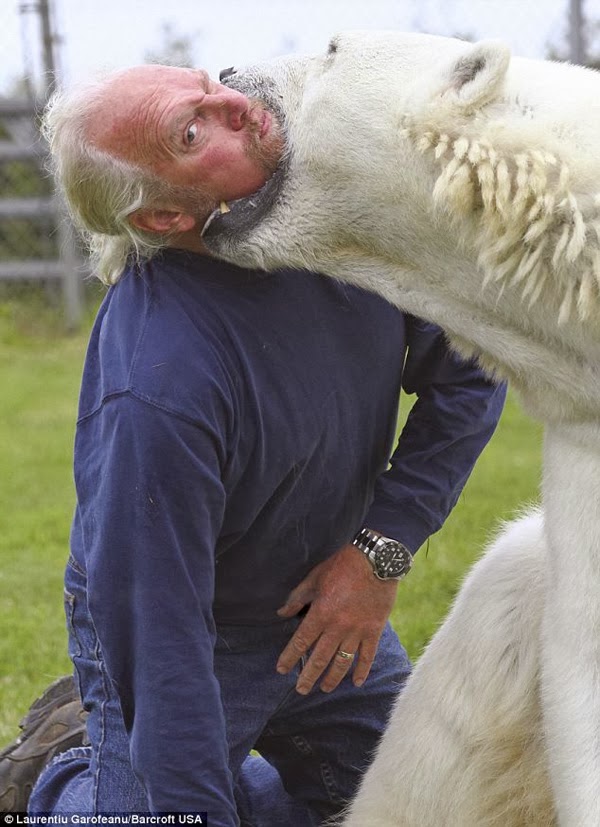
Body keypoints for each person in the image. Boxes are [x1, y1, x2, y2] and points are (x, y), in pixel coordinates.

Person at [0, 65, 506, 824]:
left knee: (445, 804)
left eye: (206, 86)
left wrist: (378, 551)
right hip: (180, 629)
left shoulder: (345, 224)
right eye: (192, 131)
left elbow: (474, 368)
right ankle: (59, 775)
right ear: (166, 217)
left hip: (325, 607)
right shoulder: (158, 388)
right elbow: (162, 637)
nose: (236, 104)